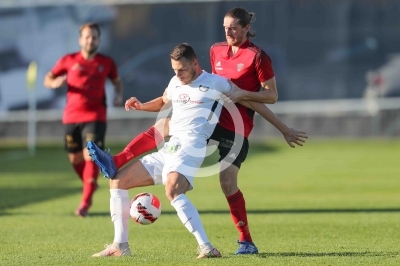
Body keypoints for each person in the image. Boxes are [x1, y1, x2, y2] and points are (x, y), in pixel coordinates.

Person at [88, 7, 308, 254]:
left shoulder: (255, 59)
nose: (228, 32)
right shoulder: (213, 53)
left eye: (234, 27)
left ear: (247, 28)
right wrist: (141, 105)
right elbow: (168, 98)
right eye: (225, 27)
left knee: (224, 183)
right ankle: (120, 243)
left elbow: (267, 97)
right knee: (157, 135)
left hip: (233, 129)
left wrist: (281, 127)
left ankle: (242, 241)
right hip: (200, 129)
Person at [87, 43, 254, 258]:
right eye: (174, 70)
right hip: (171, 146)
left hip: (191, 147)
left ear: (195, 63)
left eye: (182, 69)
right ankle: (120, 246)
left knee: (173, 189)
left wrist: (275, 115)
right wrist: (142, 105)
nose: (178, 74)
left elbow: (243, 96)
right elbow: (164, 101)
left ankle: (207, 247)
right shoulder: (175, 81)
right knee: (117, 181)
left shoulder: (215, 82)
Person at [43, 22, 123, 217]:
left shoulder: (107, 62)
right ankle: (91, 183)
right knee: (75, 158)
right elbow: (48, 78)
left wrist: (118, 95)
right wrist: (54, 83)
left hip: (96, 115)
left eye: (94, 37)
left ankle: (84, 204)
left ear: (99, 40)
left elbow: (116, 81)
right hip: (71, 116)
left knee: (91, 155)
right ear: (80, 40)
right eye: (87, 37)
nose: (90, 40)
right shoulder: (68, 60)